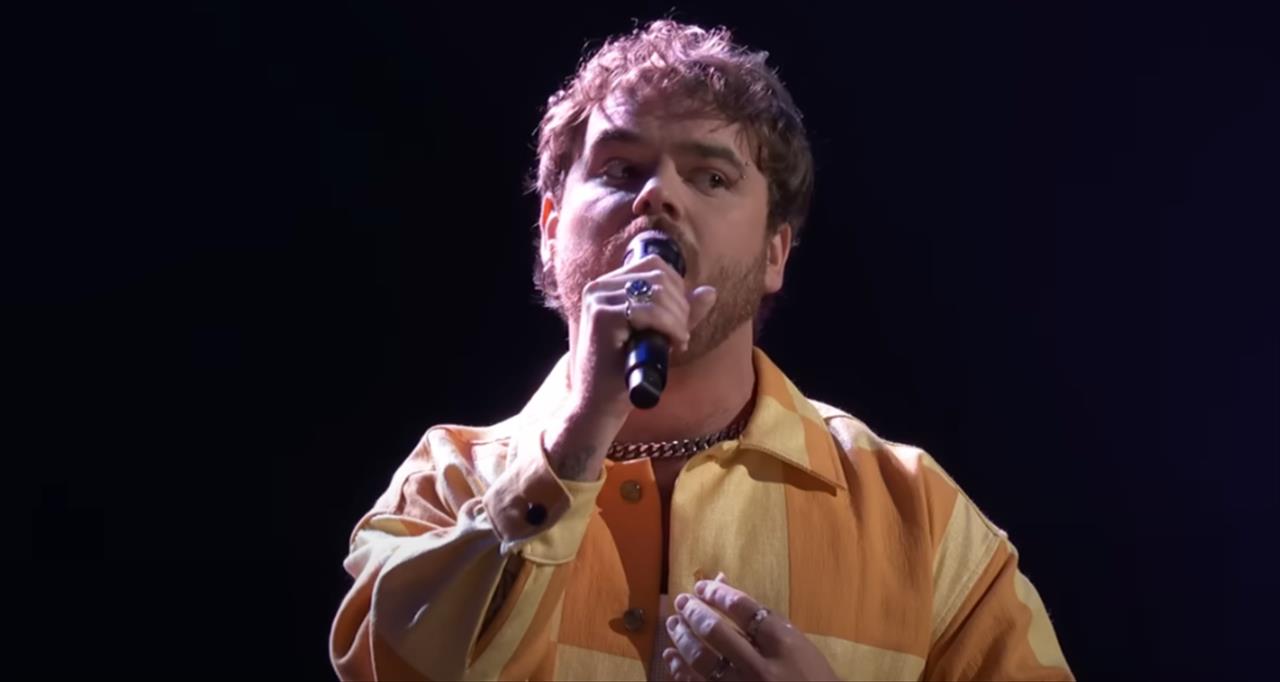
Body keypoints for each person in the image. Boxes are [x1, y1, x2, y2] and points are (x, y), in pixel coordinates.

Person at [329, 19, 1072, 681]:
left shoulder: (919, 516)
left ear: (775, 252)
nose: (660, 197)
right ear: (551, 230)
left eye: (711, 176)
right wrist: (575, 440)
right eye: (621, 169)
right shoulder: (445, 486)